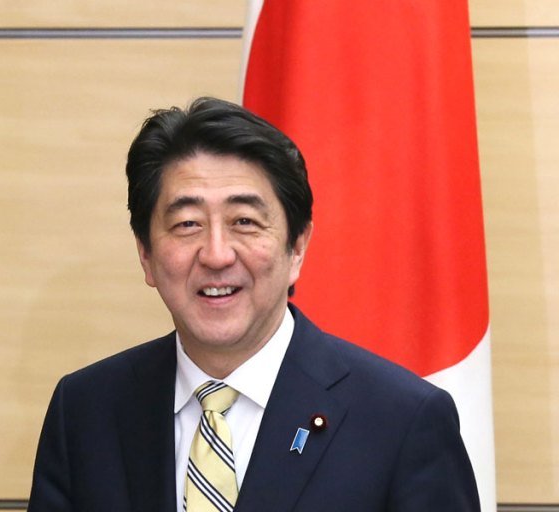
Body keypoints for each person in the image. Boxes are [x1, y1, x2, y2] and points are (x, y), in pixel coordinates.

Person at [27, 97, 479, 511]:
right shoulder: (86, 411)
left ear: (296, 247)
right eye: (187, 224)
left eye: (245, 221)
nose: (217, 254)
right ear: (146, 254)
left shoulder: (400, 421)